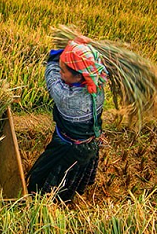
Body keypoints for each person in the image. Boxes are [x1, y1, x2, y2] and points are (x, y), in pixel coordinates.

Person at [27, 36, 108, 201]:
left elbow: (51, 74)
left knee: (50, 176)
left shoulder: (66, 97)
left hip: (69, 148)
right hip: (90, 142)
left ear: (79, 77)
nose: (60, 72)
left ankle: (45, 199)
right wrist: (74, 52)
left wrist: (58, 54)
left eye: (63, 70)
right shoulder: (98, 84)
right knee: (75, 175)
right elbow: (91, 62)